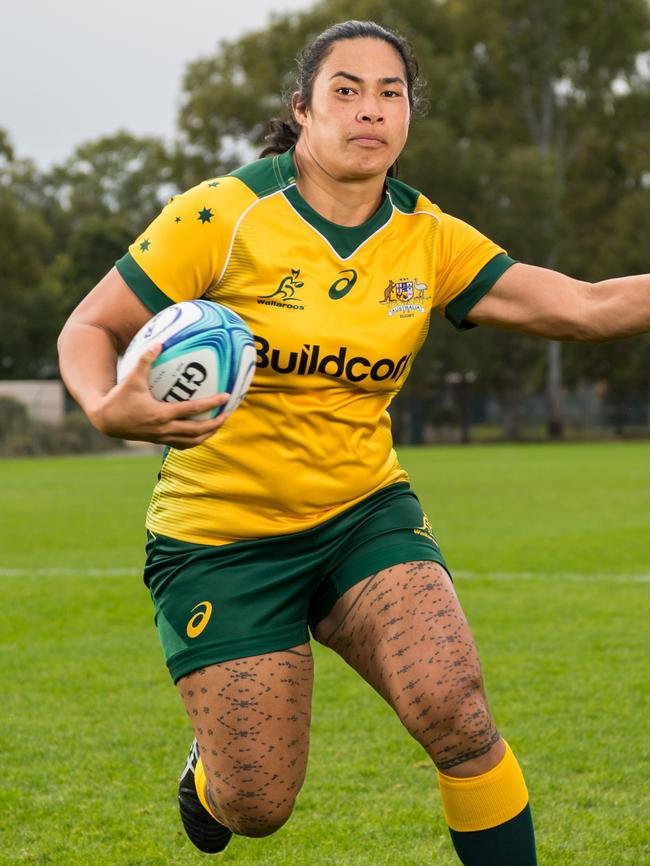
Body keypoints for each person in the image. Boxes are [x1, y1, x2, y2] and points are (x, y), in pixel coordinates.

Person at [57, 20, 650, 866]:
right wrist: (103, 405)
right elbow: (92, 324)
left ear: (409, 116)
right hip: (222, 539)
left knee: (458, 712)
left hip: (360, 514)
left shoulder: (428, 237)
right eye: (346, 90)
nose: (369, 109)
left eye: (390, 93)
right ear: (302, 109)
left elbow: (586, 308)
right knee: (257, 805)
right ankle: (209, 780)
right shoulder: (223, 214)